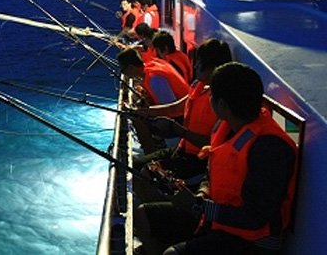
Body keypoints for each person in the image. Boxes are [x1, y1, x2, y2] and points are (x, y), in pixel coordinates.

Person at [135, 62, 297, 255]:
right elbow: (212, 173)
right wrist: (201, 194)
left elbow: (255, 218)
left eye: (212, 95)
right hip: (217, 220)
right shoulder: (227, 127)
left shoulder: (269, 148)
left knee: (172, 254)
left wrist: (198, 206)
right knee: (143, 215)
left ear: (221, 104)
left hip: (252, 241)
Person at [132, 39, 232, 200]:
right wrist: (144, 112)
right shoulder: (198, 87)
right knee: (134, 165)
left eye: (200, 62)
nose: (196, 66)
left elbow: (216, 145)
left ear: (214, 68)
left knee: (146, 173)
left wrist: (179, 131)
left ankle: (155, 212)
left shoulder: (223, 103)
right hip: (183, 148)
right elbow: (175, 108)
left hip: (200, 160)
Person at [117, 48, 190, 153]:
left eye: (123, 70)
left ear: (131, 67)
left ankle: (150, 155)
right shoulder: (154, 64)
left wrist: (142, 111)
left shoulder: (155, 79)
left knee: (138, 119)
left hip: (182, 118)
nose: (124, 73)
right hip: (183, 111)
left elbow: (172, 109)